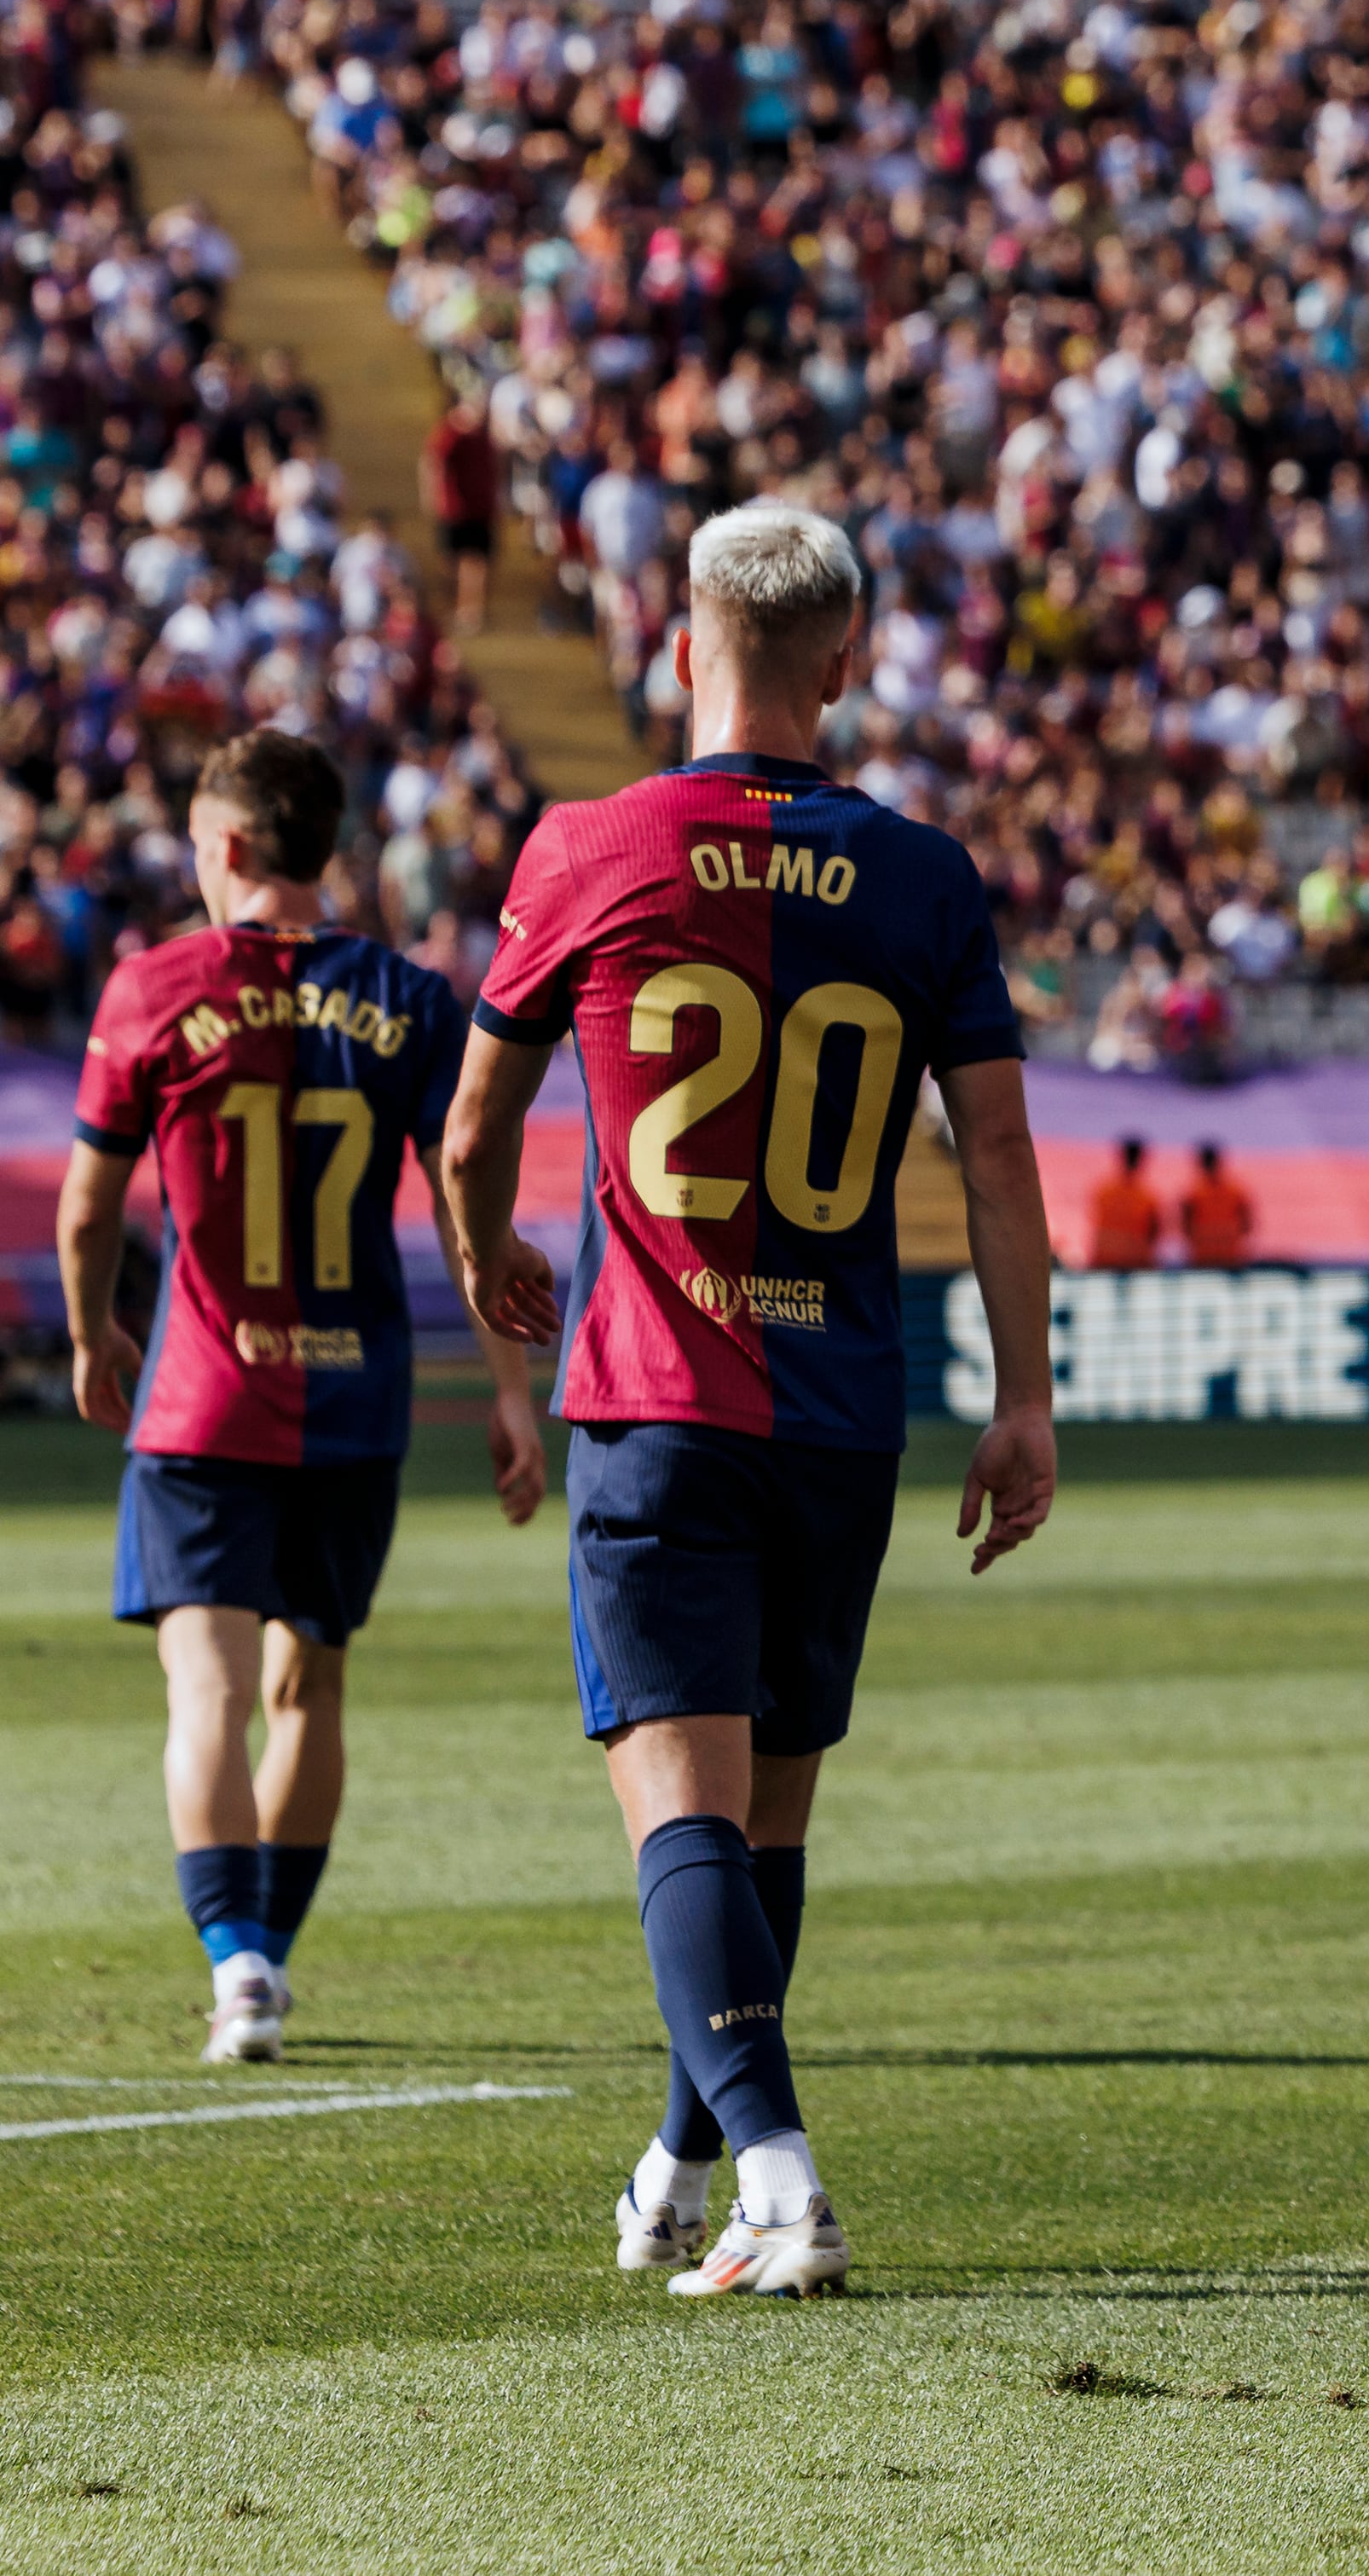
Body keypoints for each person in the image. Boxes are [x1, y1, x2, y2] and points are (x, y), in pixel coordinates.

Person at [445, 501, 1059, 2297]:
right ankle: (677, 2159)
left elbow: (475, 1124)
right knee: (762, 1822)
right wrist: (1023, 1396)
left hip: (657, 1389)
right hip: (842, 1409)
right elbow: (1001, 1150)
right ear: (846, 662)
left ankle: (782, 2178)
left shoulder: (595, 845)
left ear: (676, 632)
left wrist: (490, 1258)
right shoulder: (927, 876)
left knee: (680, 1814)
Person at [57, 730, 545, 2066]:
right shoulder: (406, 993)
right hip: (355, 1401)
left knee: (203, 1689)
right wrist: (512, 1393)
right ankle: (269, 1950)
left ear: (223, 846)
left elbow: (93, 1196)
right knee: (309, 1684)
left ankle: (237, 1965)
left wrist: (100, 1324)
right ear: (326, 847)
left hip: (205, 1404)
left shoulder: (155, 988)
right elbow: (471, 1201)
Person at [424, 390, 498, 634]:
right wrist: (434, 497)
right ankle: (456, 607)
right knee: (453, 562)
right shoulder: (450, 435)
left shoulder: (484, 438)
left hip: (480, 508)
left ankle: (471, 611)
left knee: (476, 561)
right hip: (455, 508)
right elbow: (433, 463)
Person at [1087, 1136, 1162, 1271]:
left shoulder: (1104, 1192)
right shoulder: (1148, 1197)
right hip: (1136, 1264)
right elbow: (1155, 1233)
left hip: (1104, 1261)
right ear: (1141, 1159)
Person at [1179, 1141, 1256, 1267]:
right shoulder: (1237, 1191)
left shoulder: (1191, 1193)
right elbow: (1247, 1225)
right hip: (1229, 1256)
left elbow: (1184, 1226)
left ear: (1200, 1163)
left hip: (1204, 1257)